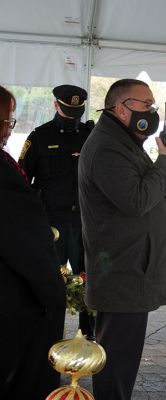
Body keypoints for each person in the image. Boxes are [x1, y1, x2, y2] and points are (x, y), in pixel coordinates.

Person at [78, 78, 166, 400]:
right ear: (122, 109)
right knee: (116, 372)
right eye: (146, 105)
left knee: (120, 367)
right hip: (122, 278)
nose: (152, 112)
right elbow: (137, 199)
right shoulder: (107, 148)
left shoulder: (121, 142)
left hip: (129, 273)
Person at [0, 85, 66, 400]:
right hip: (13, 310)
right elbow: (29, 250)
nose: (7, 130)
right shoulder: (4, 174)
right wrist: (55, 295)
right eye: (5, 121)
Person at [18, 84, 95, 338]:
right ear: (55, 106)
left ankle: (88, 333)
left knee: (88, 278)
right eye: (67, 110)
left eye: (76, 111)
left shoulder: (90, 137)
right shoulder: (39, 137)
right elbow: (21, 180)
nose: (72, 116)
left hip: (84, 222)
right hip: (52, 224)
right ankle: (50, 332)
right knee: (52, 280)